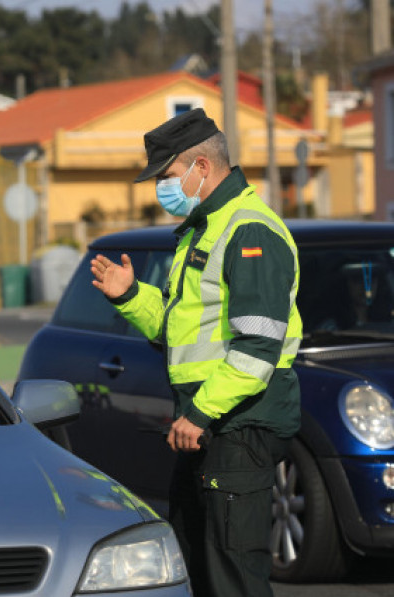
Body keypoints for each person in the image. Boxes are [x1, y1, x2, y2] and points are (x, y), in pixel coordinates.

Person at [90, 108, 302, 597]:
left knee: (234, 575)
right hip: (209, 426)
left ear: (200, 168)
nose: (162, 189)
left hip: (238, 424)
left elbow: (258, 348)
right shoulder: (202, 228)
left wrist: (200, 413)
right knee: (199, 565)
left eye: (166, 176)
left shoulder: (249, 231)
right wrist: (130, 295)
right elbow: (178, 331)